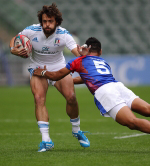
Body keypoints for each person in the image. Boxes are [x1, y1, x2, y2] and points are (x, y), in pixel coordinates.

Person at [33, 37, 150, 151]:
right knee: (148, 109)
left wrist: (41, 71)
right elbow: (86, 79)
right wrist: (67, 81)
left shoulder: (79, 60)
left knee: (131, 122)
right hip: (117, 86)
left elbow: (56, 76)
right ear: (100, 51)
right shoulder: (103, 62)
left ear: (85, 49)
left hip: (105, 92)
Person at [9, 3, 90, 152]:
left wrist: (83, 55)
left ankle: (76, 130)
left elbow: (76, 51)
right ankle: (46, 140)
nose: (47, 24)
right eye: (44, 21)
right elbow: (16, 38)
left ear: (57, 22)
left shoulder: (64, 34)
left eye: (50, 21)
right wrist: (14, 50)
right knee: (39, 99)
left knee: (71, 97)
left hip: (58, 67)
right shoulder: (32, 30)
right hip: (37, 68)